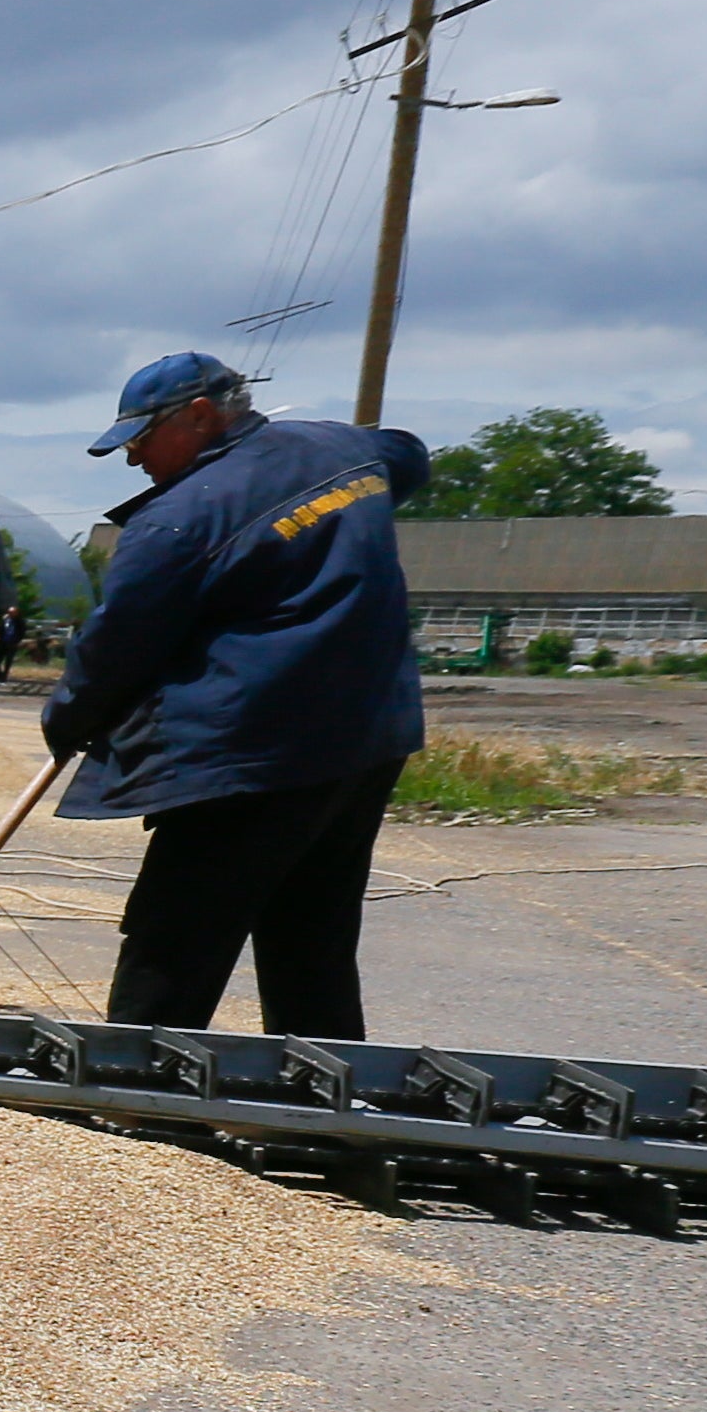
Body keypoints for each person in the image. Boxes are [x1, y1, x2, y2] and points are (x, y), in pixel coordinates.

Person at [43, 349, 431, 1037]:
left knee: (178, 935)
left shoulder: (176, 522)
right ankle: (322, 1115)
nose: (135, 461)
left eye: (139, 440)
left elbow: (115, 648)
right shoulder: (342, 448)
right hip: (364, 741)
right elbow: (409, 455)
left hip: (251, 755)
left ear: (198, 416)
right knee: (310, 934)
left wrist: (69, 720)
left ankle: (134, 1100)